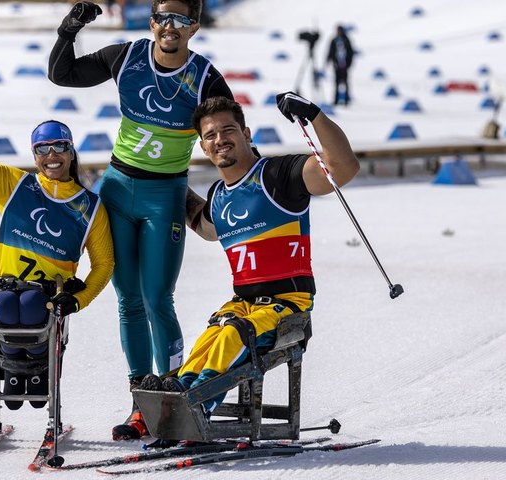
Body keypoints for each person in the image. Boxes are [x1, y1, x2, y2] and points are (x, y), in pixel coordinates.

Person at [48, 0, 234, 440]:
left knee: (157, 297)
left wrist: (254, 180)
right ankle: (140, 402)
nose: (171, 26)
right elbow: (63, 74)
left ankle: (173, 395)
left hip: (165, 196)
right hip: (117, 190)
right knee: (128, 299)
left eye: (181, 19)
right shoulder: (126, 56)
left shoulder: (205, 77)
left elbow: (229, 132)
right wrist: (68, 30)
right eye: (163, 17)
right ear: (153, 22)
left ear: (194, 27)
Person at [144, 92, 360, 417]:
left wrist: (313, 114)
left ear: (246, 134)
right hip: (243, 305)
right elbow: (206, 227)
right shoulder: (218, 195)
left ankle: (195, 404)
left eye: (228, 130)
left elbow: (343, 167)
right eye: (210, 135)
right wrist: (169, 183)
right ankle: (179, 391)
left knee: (233, 334)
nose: (220, 140)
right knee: (211, 337)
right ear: (203, 147)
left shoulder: (278, 176)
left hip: (288, 306)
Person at [0, 69, 114, 410]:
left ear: (71, 152)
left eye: (60, 146)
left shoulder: (90, 207)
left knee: (31, 305)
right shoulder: (15, 185)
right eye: (42, 148)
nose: (52, 154)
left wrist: (79, 300)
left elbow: (104, 265)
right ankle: (14, 370)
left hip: (47, 296)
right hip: (7, 288)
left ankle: (35, 370)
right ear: (34, 156)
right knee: (4, 306)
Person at [326, 25, 355, 105]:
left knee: (345, 83)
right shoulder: (334, 40)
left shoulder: (346, 40)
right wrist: (329, 61)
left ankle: (346, 100)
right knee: (336, 83)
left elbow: (350, 53)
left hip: (345, 66)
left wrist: (349, 64)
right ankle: (335, 100)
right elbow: (330, 51)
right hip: (337, 65)